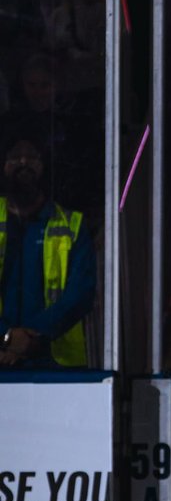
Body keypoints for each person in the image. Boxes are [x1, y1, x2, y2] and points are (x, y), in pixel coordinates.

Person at [0, 128, 96, 369]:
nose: (23, 161)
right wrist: (8, 336)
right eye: (14, 156)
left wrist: (31, 338)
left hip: (55, 366)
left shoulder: (72, 225)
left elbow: (80, 294)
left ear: (45, 166)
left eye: (32, 156)